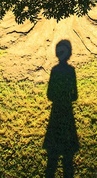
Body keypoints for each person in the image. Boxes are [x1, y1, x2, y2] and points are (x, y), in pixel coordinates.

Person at [43, 40, 79, 178]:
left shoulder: (54, 71)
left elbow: (49, 94)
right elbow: (75, 95)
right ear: (69, 54)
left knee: (52, 159)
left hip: (56, 110)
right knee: (67, 160)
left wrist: (58, 97)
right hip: (67, 110)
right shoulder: (71, 71)